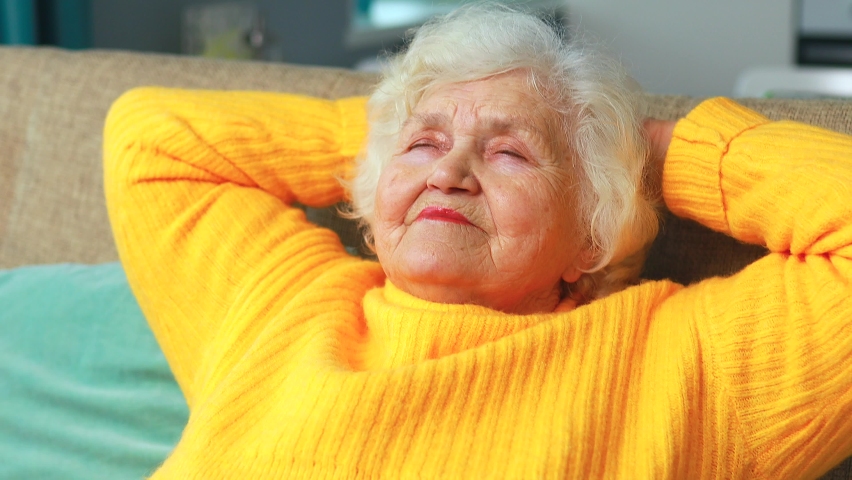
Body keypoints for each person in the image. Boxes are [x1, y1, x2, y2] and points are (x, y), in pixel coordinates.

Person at [103, 5, 852, 479]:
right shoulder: (279, 301)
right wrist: (380, 143)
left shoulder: (678, 367)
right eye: (426, 147)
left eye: (510, 155)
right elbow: (150, 139)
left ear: (592, 229)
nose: (450, 173)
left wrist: (656, 150)